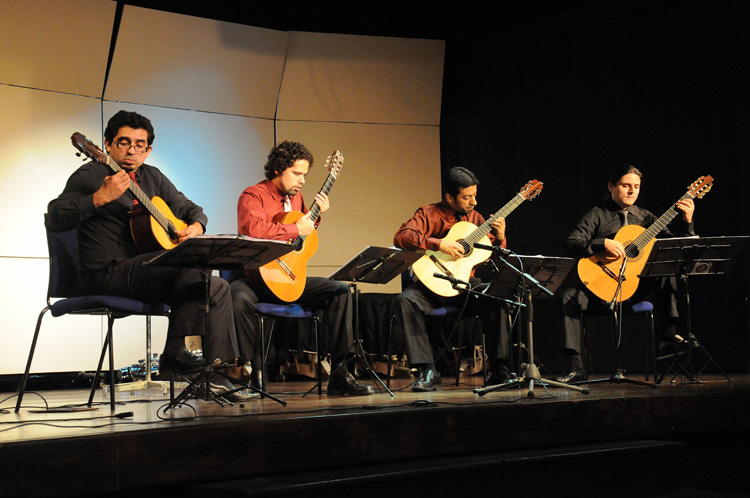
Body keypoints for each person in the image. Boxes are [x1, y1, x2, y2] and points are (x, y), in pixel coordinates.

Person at [47, 110, 255, 402]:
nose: (132, 150)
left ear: (148, 150)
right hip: (107, 272)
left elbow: (191, 209)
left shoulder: (152, 177)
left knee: (217, 284)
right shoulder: (92, 174)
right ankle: (175, 359)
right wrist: (98, 198)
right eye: (124, 142)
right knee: (195, 272)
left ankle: (214, 376)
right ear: (107, 144)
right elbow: (55, 217)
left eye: (139, 144)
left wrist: (196, 226)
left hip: (146, 271)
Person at [230, 140, 374, 396]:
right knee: (237, 297)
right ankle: (253, 372)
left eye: (305, 175)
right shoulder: (253, 195)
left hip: (288, 277)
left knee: (340, 290)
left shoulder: (296, 198)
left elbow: (303, 236)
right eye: (297, 173)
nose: (302, 181)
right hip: (255, 277)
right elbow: (253, 231)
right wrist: (298, 228)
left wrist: (316, 218)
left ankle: (340, 371)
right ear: (278, 169)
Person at [556, 164, 695, 384]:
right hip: (601, 289)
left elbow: (674, 247)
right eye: (625, 185)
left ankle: (669, 335)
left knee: (664, 266)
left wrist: (686, 222)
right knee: (569, 297)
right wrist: (602, 244)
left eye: (636, 187)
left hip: (634, 288)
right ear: (611, 186)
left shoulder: (646, 217)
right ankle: (576, 367)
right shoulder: (597, 215)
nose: (632, 191)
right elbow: (572, 243)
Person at [392, 166, 510, 392]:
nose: (473, 202)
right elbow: (402, 237)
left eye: (474, 195)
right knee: (405, 301)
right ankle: (427, 370)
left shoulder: (476, 219)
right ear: (449, 197)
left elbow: (493, 257)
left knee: (499, 297)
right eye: (467, 197)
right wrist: (439, 244)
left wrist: (501, 238)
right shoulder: (428, 213)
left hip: (465, 285)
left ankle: (499, 369)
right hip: (432, 284)